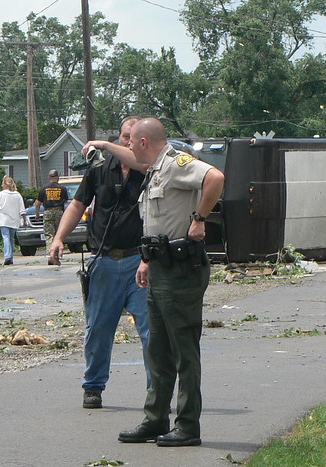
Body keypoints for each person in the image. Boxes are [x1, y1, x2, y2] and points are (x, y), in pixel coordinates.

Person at [86, 117, 225, 448]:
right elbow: (158, 219)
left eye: (131, 140)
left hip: (181, 269)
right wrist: (146, 261)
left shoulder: (177, 163)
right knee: (158, 350)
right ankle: (155, 419)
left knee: (183, 352)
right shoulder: (153, 169)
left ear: (144, 142)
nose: (128, 146)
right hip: (159, 265)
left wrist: (199, 219)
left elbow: (215, 177)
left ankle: (188, 425)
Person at [48, 117, 150, 409]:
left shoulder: (150, 169)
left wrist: (103, 144)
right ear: (119, 137)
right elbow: (78, 205)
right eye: (124, 136)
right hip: (104, 261)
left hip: (140, 262)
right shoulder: (99, 172)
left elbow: (139, 162)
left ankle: (156, 391)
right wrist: (58, 239)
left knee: (150, 330)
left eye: (134, 137)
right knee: (98, 329)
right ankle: (93, 387)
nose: (128, 141)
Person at [0, 176, 26, 265]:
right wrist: (24, 221)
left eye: (2, 183)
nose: (1, 185)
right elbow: (22, 209)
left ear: (5, 184)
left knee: (6, 237)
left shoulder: (2, 194)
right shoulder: (17, 195)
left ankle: (7, 256)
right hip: (14, 220)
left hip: (4, 220)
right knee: (11, 238)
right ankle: (10, 256)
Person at [34, 169, 69, 263]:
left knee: (49, 235)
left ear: (49, 177)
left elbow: (37, 204)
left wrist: (37, 215)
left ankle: (51, 255)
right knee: (58, 235)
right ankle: (56, 256)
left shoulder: (44, 188)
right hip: (59, 212)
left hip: (48, 212)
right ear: (58, 177)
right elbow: (65, 201)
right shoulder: (62, 188)